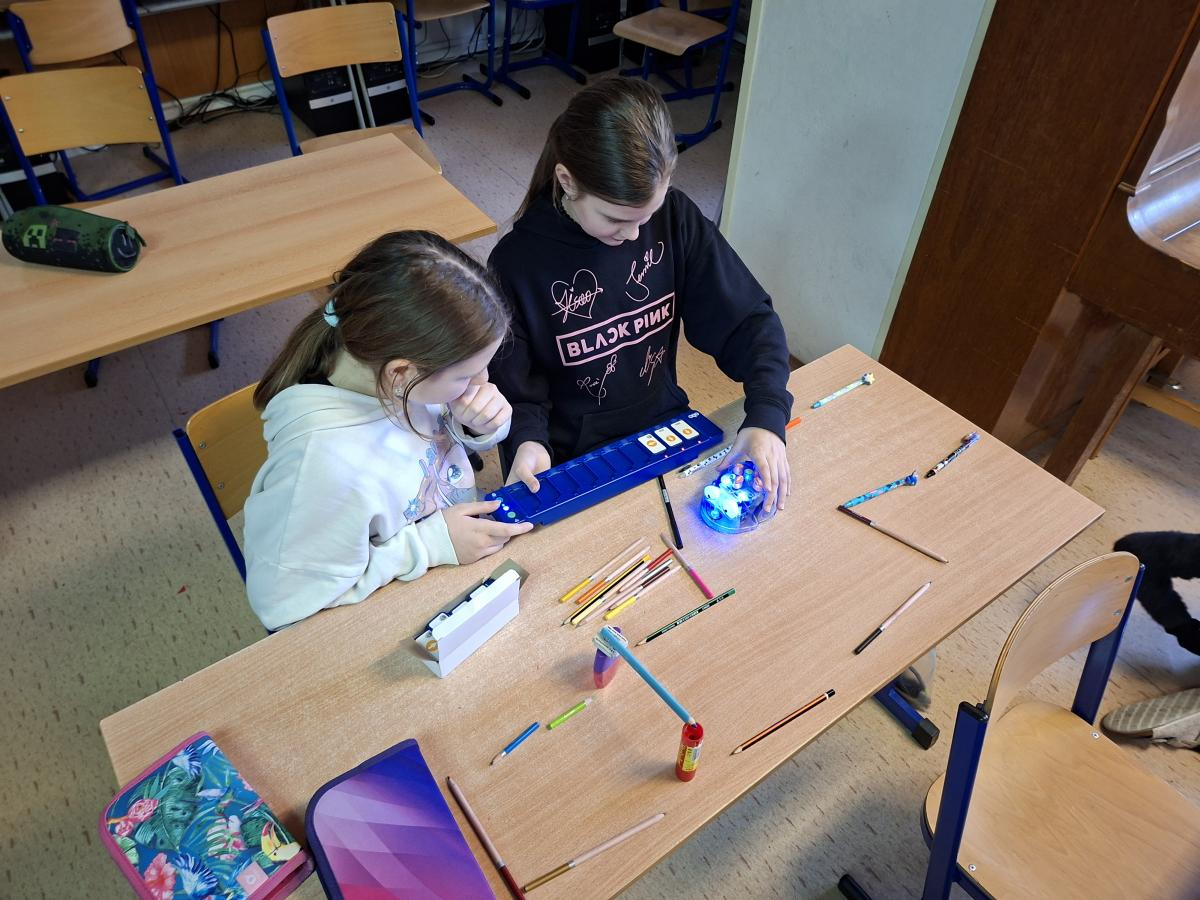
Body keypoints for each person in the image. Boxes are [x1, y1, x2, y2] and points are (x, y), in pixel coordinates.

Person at [489, 76, 794, 513]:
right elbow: (515, 389)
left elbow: (748, 320)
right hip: (571, 461)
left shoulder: (675, 216)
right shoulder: (516, 263)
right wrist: (527, 442)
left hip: (665, 432)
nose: (634, 235)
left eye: (647, 216)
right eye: (616, 219)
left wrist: (767, 414)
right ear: (567, 181)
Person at [243, 231, 532, 631]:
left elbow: (432, 443)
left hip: (451, 560)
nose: (483, 382)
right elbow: (285, 607)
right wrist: (428, 545)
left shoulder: (396, 377)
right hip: (395, 613)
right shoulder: (320, 470)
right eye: (466, 376)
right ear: (401, 373)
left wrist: (474, 425)